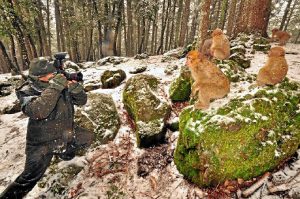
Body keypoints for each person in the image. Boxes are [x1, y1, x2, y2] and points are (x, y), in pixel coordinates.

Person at [0, 57, 94, 199]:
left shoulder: (58, 83)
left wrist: (75, 88)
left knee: (88, 138)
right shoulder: (26, 90)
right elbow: (38, 111)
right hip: (42, 142)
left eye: (54, 73)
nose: (54, 76)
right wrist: (55, 87)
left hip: (64, 133)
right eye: (50, 75)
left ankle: (64, 153)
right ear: (38, 77)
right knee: (28, 178)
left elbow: (82, 101)